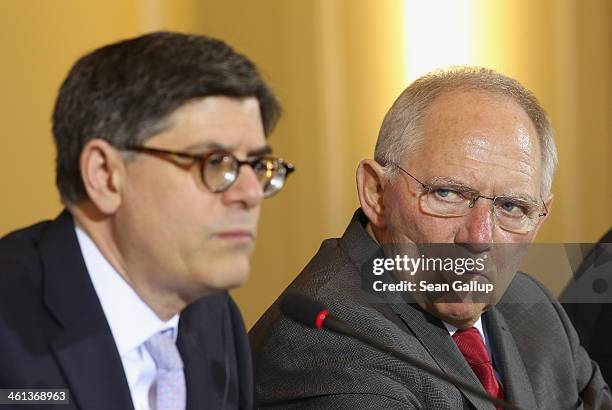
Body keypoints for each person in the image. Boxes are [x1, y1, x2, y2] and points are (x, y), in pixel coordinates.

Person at [250, 67, 611, 409]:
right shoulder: (329, 340)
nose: (480, 236)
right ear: (376, 192)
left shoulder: (535, 307)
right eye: (448, 194)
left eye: (513, 206)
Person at [0, 31, 294, 410]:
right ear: (105, 176)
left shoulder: (215, 315)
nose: (251, 193)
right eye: (215, 163)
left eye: (257, 166)